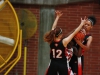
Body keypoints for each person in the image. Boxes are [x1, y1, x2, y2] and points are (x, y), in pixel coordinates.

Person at [44, 10, 86, 75]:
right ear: (60, 35)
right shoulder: (64, 42)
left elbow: (53, 28)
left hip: (53, 64)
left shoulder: (51, 40)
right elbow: (74, 32)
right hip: (62, 65)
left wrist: (57, 17)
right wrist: (81, 24)